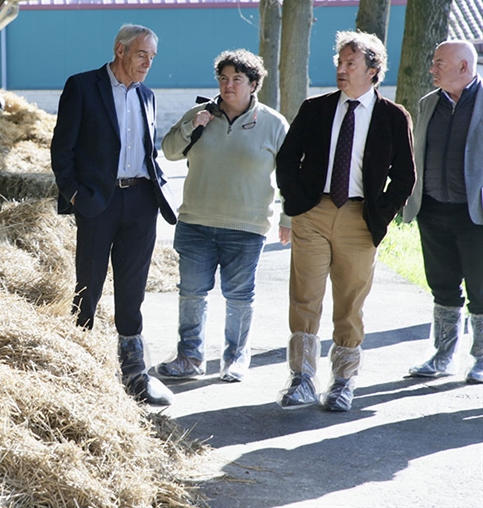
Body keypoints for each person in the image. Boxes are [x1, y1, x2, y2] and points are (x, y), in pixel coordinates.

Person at [275, 30, 416, 411]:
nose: (341, 68)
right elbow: (287, 159)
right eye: (339, 62)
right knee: (305, 295)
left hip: (359, 218)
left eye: (350, 63)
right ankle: (301, 378)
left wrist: (380, 215)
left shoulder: (392, 117)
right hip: (314, 213)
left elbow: (405, 175)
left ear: (373, 70)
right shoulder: (315, 108)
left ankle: (343, 380)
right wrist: (297, 203)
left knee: (350, 301)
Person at [50, 23, 178, 405]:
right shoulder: (82, 86)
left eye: (152, 58)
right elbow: (62, 149)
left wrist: (158, 190)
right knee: (88, 284)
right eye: (142, 55)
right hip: (97, 202)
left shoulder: (148, 96)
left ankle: (135, 375)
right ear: (120, 50)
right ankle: (80, 369)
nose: (148, 64)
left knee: (132, 290)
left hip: (141, 202)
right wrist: (74, 195)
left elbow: (148, 151)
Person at [157, 49, 290, 383]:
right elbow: (170, 151)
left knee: (239, 296)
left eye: (237, 80)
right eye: (223, 79)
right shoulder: (199, 114)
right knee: (191, 293)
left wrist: (288, 218)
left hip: (246, 227)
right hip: (195, 222)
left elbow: (290, 176)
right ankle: (189, 357)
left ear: (254, 84)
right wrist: (192, 124)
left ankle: (235, 358)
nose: (228, 86)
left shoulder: (274, 124)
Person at [402, 40, 483, 384]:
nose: (432, 68)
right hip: (433, 209)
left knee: (481, 289)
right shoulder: (428, 103)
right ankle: (442, 355)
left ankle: (481, 358)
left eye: (439, 63)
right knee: (442, 285)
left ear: (464, 67)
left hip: (475, 213)